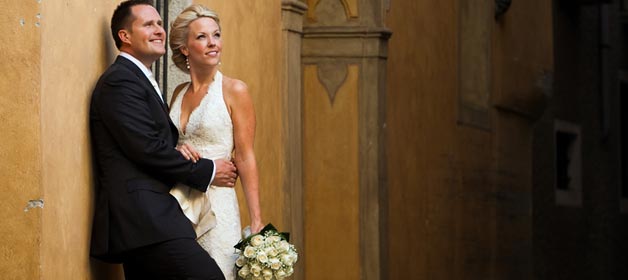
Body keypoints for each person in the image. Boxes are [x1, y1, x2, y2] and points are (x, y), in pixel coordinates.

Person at [89, 1, 236, 279]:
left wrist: (178, 149)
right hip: (145, 221)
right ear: (125, 36)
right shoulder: (120, 81)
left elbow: (143, 142)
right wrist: (210, 169)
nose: (159, 30)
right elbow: (146, 150)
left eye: (159, 24)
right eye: (148, 25)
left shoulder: (137, 78)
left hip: (150, 222)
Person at [167, 4, 264, 279]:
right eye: (202, 37)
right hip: (179, 204)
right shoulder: (177, 93)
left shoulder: (235, 90)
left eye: (216, 35)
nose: (213, 43)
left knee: (219, 271)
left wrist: (256, 219)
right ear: (184, 48)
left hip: (219, 205)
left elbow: (245, 156)